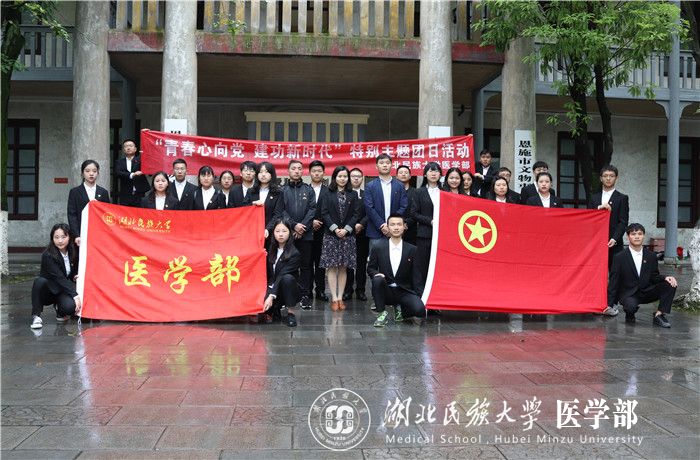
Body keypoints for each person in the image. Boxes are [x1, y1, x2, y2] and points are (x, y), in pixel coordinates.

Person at [607, 223, 677, 327]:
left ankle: (659, 315)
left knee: (670, 284)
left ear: (643, 236)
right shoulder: (619, 257)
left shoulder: (651, 256)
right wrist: (609, 304)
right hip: (629, 294)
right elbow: (614, 281)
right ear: (628, 236)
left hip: (647, 291)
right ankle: (630, 313)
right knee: (630, 307)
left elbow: (654, 276)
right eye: (633, 234)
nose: (637, 237)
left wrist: (666, 277)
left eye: (640, 234)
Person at [368, 214, 426, 327]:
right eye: (392, 224)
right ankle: (381, 313)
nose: (396, 227)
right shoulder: (378, 247)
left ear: (404, 227)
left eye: (399, 224)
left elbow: (417, 275)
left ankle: (399, 309)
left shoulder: (412, 249)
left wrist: (420, 297)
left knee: (419, 310)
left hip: (404, 290)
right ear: (387, 227)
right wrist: (376, 274)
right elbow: (371, 268)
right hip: (386, 290)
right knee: (377, 279)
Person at [320, 166, 361, 311]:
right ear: (335, 177)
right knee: (331, 267)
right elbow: (324, 213)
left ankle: (340, 297)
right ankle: (334, 297)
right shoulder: (327, 193)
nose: (342, 179)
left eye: (345, 176)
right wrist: (335, 229)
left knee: (343, 267)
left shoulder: (353, 194)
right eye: (339, 176)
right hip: (331, 235)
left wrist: (346, 229)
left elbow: (356, 214)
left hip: (347, 236)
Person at [30, 223, 81, 329]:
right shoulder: (48, 255)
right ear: (52, 238)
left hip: (62, 289)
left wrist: (74, 276)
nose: (60, 241)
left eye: (63, 237)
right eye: (56, 237)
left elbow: (71, 272)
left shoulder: (73, 251)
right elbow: (59, 277)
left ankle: (60, 310)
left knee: (70, 307)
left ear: (69, 237)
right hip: (49, 291)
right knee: (39, 281)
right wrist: (75, 295)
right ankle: (36, 316)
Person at [281, 160, 316, 309]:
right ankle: (286, 296)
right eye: (293, 168)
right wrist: (294, 225)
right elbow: (281, 210)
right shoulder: (282, 190)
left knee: (306, 266)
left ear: (303, 171)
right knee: (287, 265)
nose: (296, 171)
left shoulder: (309, 190)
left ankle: (305, 295)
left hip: (306, 235)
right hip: (287, 235)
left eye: (299, 169)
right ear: (288, 171)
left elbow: (312, 209)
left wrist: (302, 228)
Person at [364, 154, 408, 252]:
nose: (385, 165)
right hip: (376, 231)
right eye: (381, 163)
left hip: (395, 230)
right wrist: (382, 225)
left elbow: (403, 206)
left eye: (387, 163)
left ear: (391, 165)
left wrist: (392, 224)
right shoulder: (370, 186)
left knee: (395, 258)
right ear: (376, 166)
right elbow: (369, 208)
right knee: (375, 259)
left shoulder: (400, 186)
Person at [588, 165, 629, 269]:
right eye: (605, 176)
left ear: (616, 178)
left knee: (614, 271)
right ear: (601, 178)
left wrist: (615, 238)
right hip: (596, 241)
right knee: (595, 270)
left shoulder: (622, 198)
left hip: (614, 242)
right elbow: (588, 217)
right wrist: (599, 208)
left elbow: (623, 222)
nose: (608, 178)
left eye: (611, 176)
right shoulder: (593, 198)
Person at [261, 219, 300, 327]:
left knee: (287, 278)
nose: (281, 234)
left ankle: (291, 313)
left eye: (284, 231)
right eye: (277, 231)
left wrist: (271, 296)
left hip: (285, 288)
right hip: (272, 284)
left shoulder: (294, 253)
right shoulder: (270, 249)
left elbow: (282, 275)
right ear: (273, 233)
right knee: (262, 308)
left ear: (290, 233)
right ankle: (275, 309)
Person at [410, 162, 442, 289]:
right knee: (422, 264)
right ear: (425, 174)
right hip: (424, 234)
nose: (433, 174)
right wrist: (430, 221)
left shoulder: (444, 191)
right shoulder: (419, 192)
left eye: (436, 171)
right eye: (430, 171)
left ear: (440, 174)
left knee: (438, 265)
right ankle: (421, 292)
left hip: (441, 235)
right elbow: (414, 213)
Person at [67, 159, 111, 246]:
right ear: (82, 173)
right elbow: (72, 215)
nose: (91, 174)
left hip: (99, 232)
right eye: (87, 171)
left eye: (94, 171)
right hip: (81, 232)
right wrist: (76, 235)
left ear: (98, 173)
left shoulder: (103, 192)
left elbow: (107, 214)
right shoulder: (75, 192)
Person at [343, 168, 369, 301]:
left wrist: (361, 224)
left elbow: (370, 211)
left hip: (363, 233)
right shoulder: (344, 194)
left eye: (359, 176)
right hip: (347, 233)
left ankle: (361, 290)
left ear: (362, 178)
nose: (356, 178)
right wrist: (350, 226)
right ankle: (347, 290)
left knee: (361, 263)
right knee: (348, 264)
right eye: (353, 176)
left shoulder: (367, 194)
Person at [245, 161, 284, 239]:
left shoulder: (278, 193)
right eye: (260, 172)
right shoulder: (251, 191)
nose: (263, 174)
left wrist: (267, 228)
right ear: (257, 175)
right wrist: (253, 204)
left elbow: (278, 214)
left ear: (271, 175)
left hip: (270, 232)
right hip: (252, 230)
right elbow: (244, 208)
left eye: (266, 172)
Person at [309, 160, 329, 301]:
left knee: (321, 263)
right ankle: (307, 290)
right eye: (314, 171)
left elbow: (330, 210)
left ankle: (320, 290)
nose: (316, 173)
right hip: (306, 231)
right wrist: (311, 222)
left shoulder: (329, 191)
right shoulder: (304, 189)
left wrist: (320, 221)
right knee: (307, 263)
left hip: (324, 231)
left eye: (319, 171)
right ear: (310, 173)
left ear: (324, 173)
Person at [116, 139, 150, 206]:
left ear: (135, 149)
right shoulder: (119, 162)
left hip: (139, 193)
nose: (128, 148)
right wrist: (132, 174)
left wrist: (144, 156)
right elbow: (118, 173)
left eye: (131, 146)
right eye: (126, 146)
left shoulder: (140, 159)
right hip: (125, 194)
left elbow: (148, 169)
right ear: (123, 150)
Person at [396, 165, 417, 245]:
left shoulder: (416, 192)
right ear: (396, 176)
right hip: (394, 228)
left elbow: (417, 211)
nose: (403, 174)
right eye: (401, 172)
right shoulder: (392, 191)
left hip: (411, 229)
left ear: (410, 176)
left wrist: (406, 223)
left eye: (406, 172)